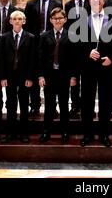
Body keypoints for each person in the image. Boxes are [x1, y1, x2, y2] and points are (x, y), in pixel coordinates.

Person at [78, 0, 112, 147]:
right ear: (89, 0)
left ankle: (104, 134)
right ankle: (87, 134)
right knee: (87, 102)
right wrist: (87, 52)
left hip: (106, 66)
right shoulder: (81, 19)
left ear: (103, 1)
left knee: (106, 102)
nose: (96, 1)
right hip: (88, 67)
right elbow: (75, 43)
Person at [24, 0, 62, 116]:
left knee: (52, 74)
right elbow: (27, 26)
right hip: (34, 41)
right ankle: (34, 104)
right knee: (34, 73)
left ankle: (53, 105)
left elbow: (60, 22)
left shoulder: (57, 3)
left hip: (51, 42)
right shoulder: (30, 4)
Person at [38, 8, 77, 143]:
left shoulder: (71, 35)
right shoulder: (44, 36)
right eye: (55, 18)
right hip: (49, 75)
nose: (58, 21)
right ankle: (46, 131)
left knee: (64, 105)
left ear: (65, 20)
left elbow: (74, 58)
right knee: (49, 105)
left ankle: (65, 131)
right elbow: (40, 58)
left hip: (64, 75)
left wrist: (73, 76)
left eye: (60, 18)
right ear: (50, 20)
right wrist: (41, 76)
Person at [0, 10, 36, 143]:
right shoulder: (4, 37)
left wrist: (30, 77)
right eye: (14, 19)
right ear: (10, 21)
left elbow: (33, 59)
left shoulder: (30, 37)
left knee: (24, 104)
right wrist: (3, 77)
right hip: (9, 76)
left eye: (20, 19)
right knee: (11, 103)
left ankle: (24, 132)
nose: (17, 21)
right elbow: (2, 59)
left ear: (24, 21)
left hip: (24, 76)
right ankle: (11, 132)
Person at [64, 0, 91, 118]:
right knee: (74, 79)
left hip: (88, 47)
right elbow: (68, 28)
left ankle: (87, 106)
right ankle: (75, 105)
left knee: (87, 80)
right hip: (74, 48)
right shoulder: (68, 5)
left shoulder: (91, 3)